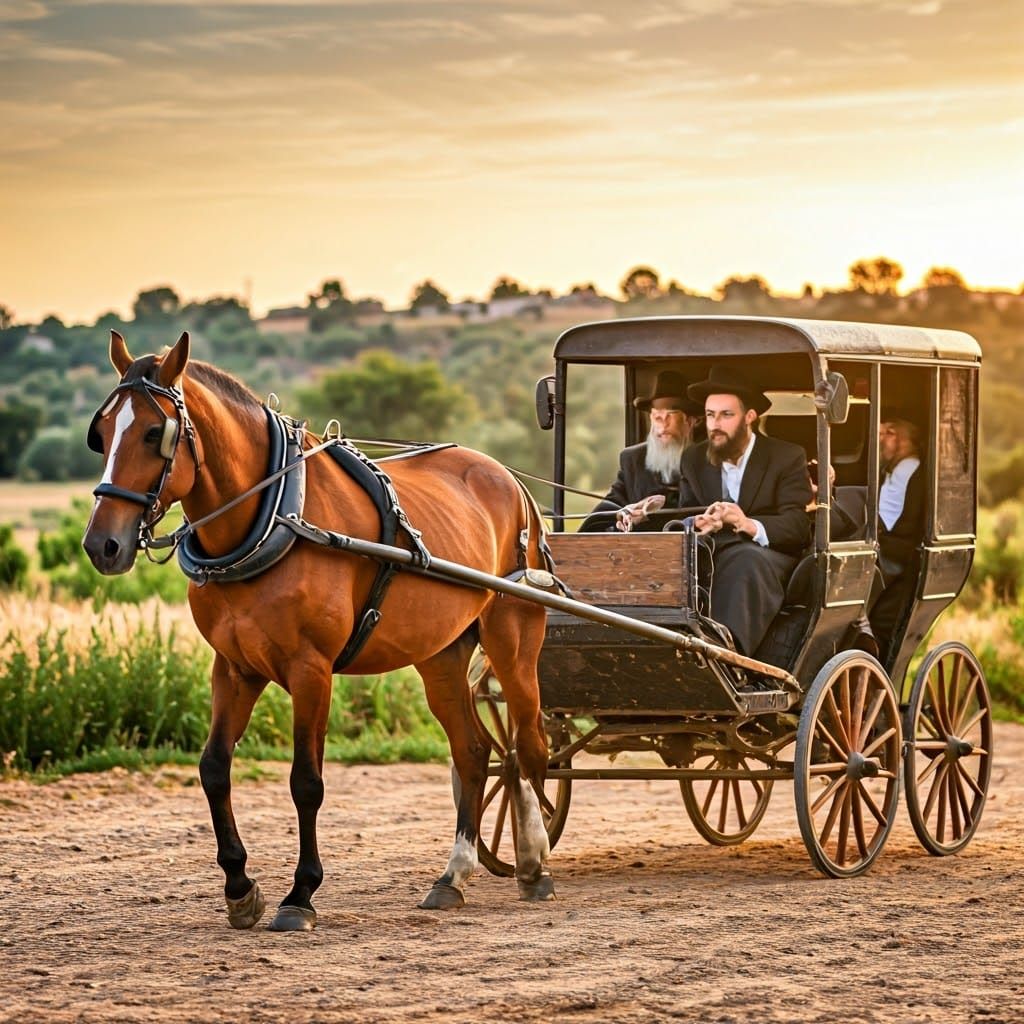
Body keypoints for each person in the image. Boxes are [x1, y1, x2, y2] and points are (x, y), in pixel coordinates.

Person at [677, 365, 812, 656]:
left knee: (746, 560)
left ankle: (727, 654)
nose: (715, 424)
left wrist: (747, 523)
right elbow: (685, 511)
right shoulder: (693, 458)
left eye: (726, 415)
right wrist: (700, 522)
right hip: (711, 550)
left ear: (750, 417)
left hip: (768, 556)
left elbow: (798, 526)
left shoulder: (786, 456)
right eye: (710, 415)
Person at [579, 370, 703, 533]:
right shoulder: (633, 460)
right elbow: (604, 516)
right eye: (656, 416)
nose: (662, 424)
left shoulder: (709, 461)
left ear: (691, 420)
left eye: (670, 416)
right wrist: (624, 517)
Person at [868, 413, 926, 657]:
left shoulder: (912, 471)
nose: (881, 437)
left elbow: (900, 522)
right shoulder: (892, 469)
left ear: (906, 440)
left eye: (889, 433)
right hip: (883, 543)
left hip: (896, 555)